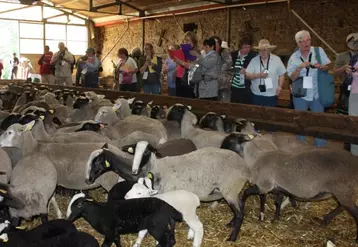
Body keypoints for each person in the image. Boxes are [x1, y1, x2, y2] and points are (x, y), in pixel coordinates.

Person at [287, 30, 331, 147]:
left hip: (317, 93)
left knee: (319, 121)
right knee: (300, 121)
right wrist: (299, 68)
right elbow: (291, 77)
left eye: (307, 40)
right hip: (301, 94)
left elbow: (327, 67)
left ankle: (320, 146)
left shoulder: (318, 51)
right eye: (301, 42)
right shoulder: (294, 57)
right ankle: (300, 146)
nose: (305, 44)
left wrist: (321, 67)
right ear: (297, 43)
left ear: (310, 40)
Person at [246, 39, 286, 107]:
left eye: (265, 50)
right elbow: (247, 75)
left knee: (270, 115)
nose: (262, 52)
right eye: (261, 50)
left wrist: (279, 87)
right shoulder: (254, 60)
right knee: (256, 116)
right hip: (256, 94)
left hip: (271, 95)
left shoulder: (277, 60)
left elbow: (282, 74)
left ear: (269, 50)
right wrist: (258, 75)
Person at [230, 37, 257, 104]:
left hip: (247, 87)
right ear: (240, 47)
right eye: (244, 47)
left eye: (248, 47)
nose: (246, 49)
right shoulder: (233, 55)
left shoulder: (253, 55)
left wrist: (246, 72)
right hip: (234, 87)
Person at [174, 31, 201, 98]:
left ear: (193, 41)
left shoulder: (196, 51)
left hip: (192, 81)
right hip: (182, 79)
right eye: (185, 41)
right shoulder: (184, 50)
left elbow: (193, 66)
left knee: (189, 101)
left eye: (188, 40)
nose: (186, 42)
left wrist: (180, 61)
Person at [210, 36, 232, 102]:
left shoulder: (224, 51)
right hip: (213, 85)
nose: (215, 45)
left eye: (217, 43)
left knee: (224, 105)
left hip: (224, 85)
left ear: (219, 44)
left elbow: (229, 63)